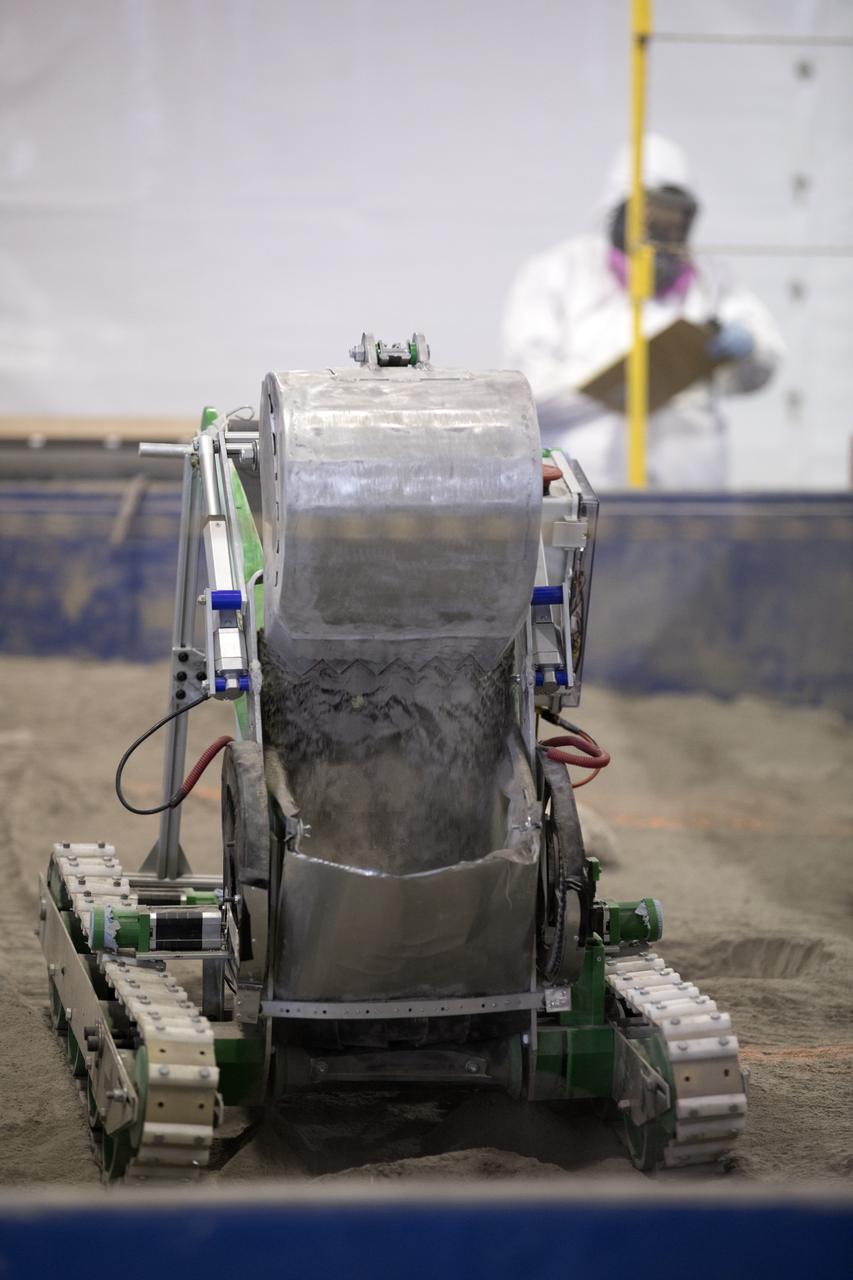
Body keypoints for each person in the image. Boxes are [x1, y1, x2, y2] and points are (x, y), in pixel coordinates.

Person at [502, 135, 784, 488]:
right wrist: (627, 380)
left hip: (693, 492)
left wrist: (750, 347)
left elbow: (761, 360)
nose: (663, 234)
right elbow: (528, 391)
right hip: (590, 489)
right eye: (651, 220)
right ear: (617, 211)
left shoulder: (710, 279)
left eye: (674, 223)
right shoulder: (559, 272)